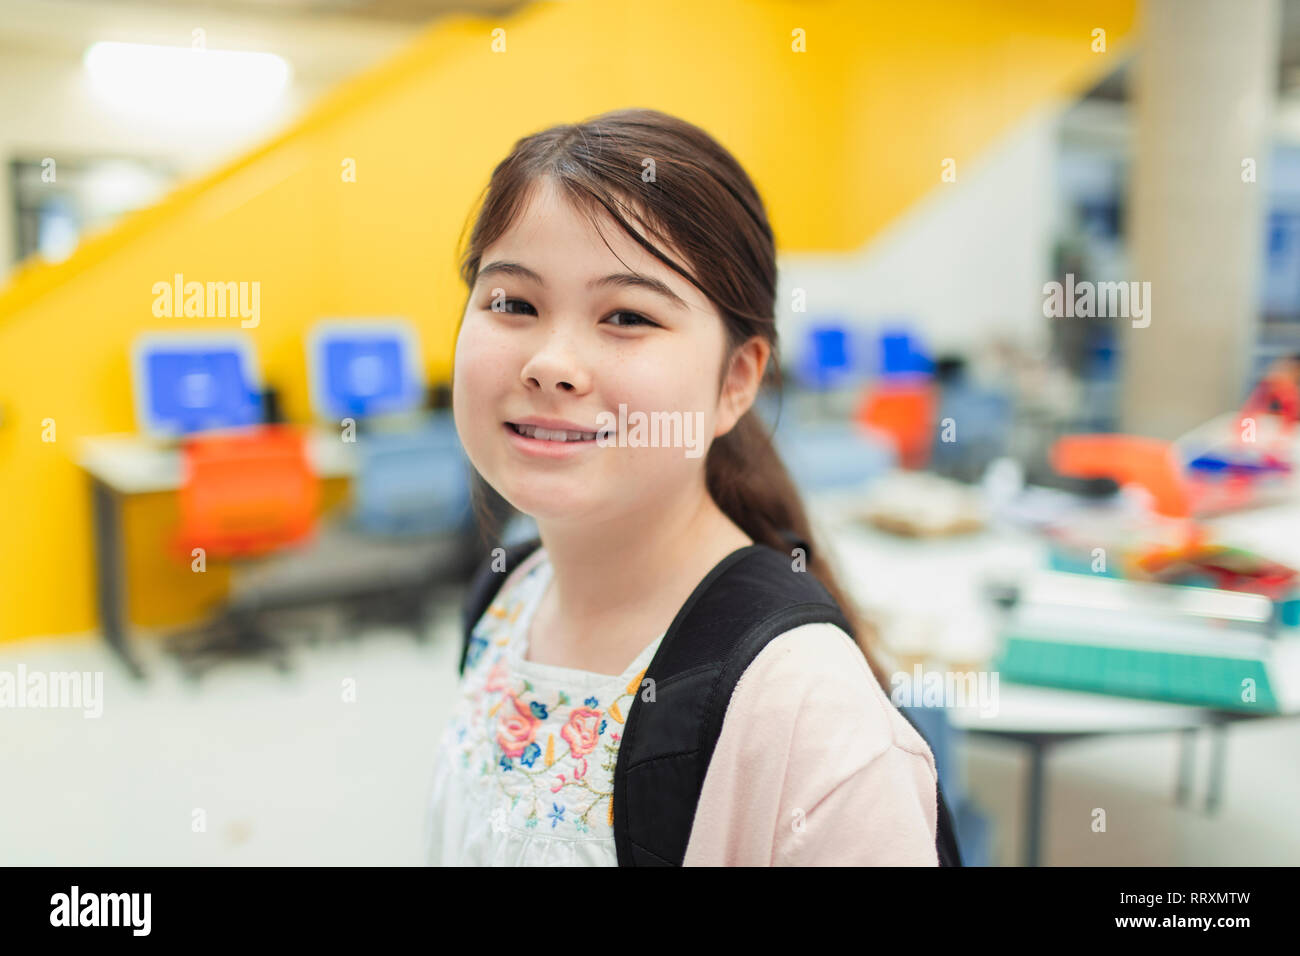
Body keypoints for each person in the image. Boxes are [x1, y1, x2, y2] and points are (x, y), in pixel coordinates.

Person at [424, 108, 939, 865]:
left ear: (735, 381)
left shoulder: (810, 714)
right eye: (514, 304)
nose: (551, 362)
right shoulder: (508, 600)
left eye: (627, 315)